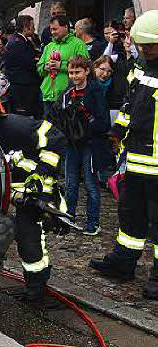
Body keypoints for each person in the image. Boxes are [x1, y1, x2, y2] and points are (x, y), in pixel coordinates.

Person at [0, 89, 70, 300]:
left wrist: (42, 173)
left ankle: (36, 288)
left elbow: (55, 137)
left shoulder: (12, 126)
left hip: (31, 193)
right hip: (7, 194)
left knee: (29, 239)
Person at [90, 10, 158, 298]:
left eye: (148, 46)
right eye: (140, 45)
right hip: (135, 160)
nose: (142, 50)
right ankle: (123, 262)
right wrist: (118, 129)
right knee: (130, 215)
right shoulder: (141, 67)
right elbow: (131, 103)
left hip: (157, 165)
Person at [58, 55, 109, 236]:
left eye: (77, 72)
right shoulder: (67, 93)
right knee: (70, 183)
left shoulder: (95, 92)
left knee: (90, 184)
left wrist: (85, 125)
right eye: (71, 72)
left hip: (90, 144)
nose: (74, 76)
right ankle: (69, 216)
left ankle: (93, 221)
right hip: (72, 143)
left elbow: (104, 122)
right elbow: (58, 115)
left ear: (87, 71)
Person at [37, 15, 89, 107]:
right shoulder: (49, 46)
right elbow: (39, 69)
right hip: (48, 95)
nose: (52, 32)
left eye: (55, 29)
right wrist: (45, 67)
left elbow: (84, 66)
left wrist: (60, 65)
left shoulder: (78, 44)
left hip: (68, 96)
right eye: (51, 29)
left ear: (65, 27)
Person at [4, 15, 43, 118]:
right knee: (24, 115)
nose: (34, 29)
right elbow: (29, 63)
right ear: (26, 27)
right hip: (22, 86)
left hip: (24, 84)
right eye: (32, 26)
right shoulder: (18, 43)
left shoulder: (23, 41)